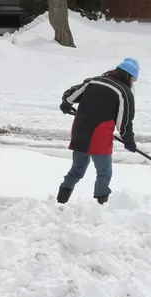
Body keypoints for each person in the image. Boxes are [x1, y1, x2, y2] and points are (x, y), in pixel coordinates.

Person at [57, 58, 140, 205]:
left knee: (77, 170)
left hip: (80, 132)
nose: (133, 83)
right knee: (104, 173)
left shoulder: (94, 81)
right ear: (128, 76)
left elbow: (70, 95)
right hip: (99, 136)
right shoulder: (123, 92)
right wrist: (129, 140)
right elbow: (124, 121)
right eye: (133, 79)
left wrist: (65, 104)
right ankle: (100, 207)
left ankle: (60, 201)